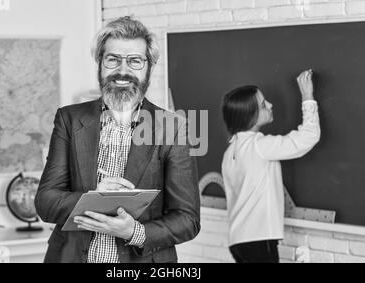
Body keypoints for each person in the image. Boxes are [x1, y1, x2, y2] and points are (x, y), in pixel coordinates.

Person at [35, 16, 200, 263]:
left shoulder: (172, 127)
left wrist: (135, 232)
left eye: (135, 61)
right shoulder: (69, 119)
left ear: (149, 68)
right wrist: (91, 198)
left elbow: (187, 219)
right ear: (100, 64)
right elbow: (46, 202)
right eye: (113, 59)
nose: (123, 71)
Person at [221, 70, 321, 263]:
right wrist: (308, 97)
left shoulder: (230, 151)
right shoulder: (259, 146)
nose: (270, 105)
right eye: (263, 105)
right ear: (249, 115)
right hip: (258, 239)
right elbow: (308, 137)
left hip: (239, 240)